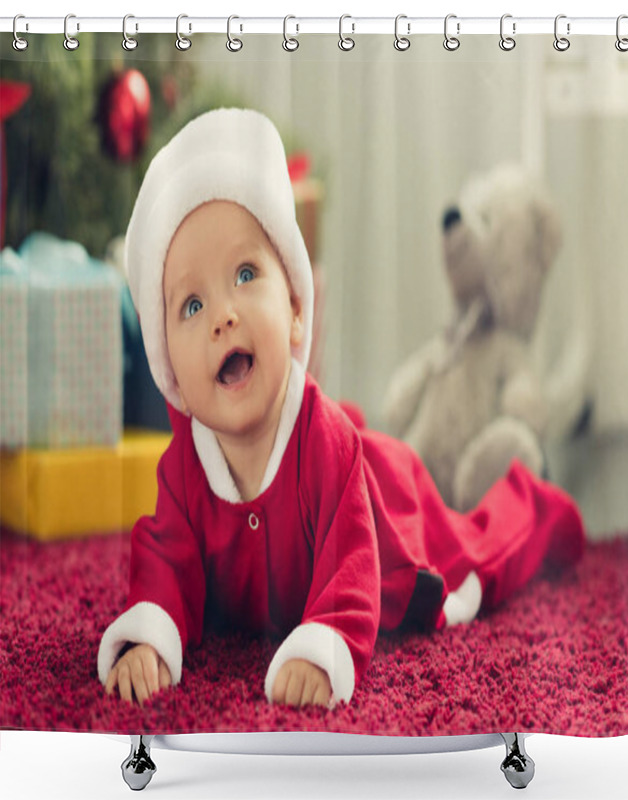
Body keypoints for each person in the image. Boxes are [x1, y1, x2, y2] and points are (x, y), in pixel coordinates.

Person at [97, 108, 585, 710]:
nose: (223, 313)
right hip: (349, 468)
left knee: (476, 556)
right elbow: (166, 559)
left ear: (297, 308)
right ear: (169, 367)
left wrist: (323, 644)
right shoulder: (184, 469)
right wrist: (150, 635)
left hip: (392, 528)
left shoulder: (325, 444)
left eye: (246, 273)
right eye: (191, 307)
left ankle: (532, 499)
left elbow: (352, 563)